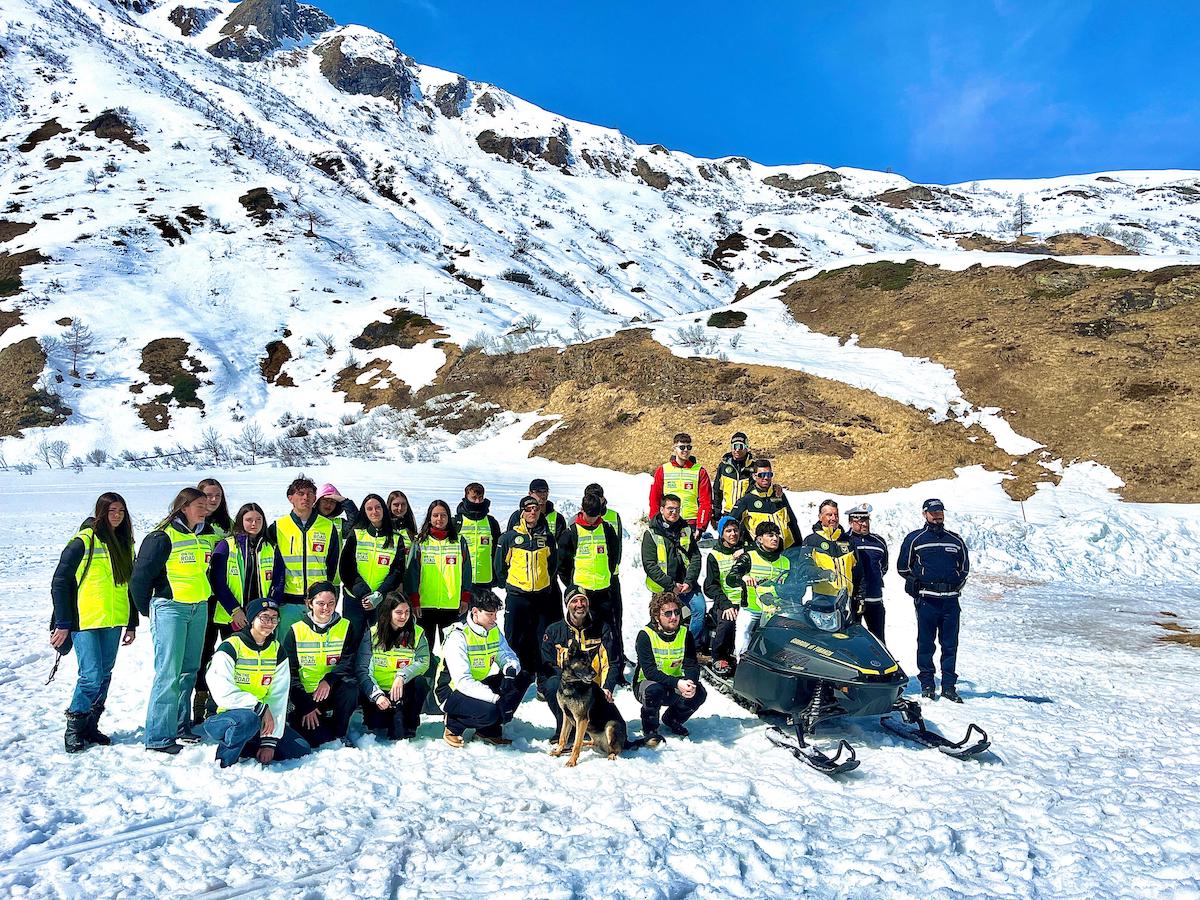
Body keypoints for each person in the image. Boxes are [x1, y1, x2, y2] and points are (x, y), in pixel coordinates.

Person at [50, 492, 138, 752]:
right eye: (112, 511)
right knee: (90, 676)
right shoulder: (83, 541)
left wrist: (131, 623)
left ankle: (90, 725)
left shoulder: (125, 543)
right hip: (85, 620)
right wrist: (63, 623)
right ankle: (74, 728)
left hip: (113, 620)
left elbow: (129, 586)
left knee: (104, 675)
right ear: (100, 512)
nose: (117, 516)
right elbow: (60, 582)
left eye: (121, 511)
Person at [130, 488, 214, 754]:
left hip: (198, 607)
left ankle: (179, 725)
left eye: (206, 505)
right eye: (199, 505)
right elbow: (139, 578)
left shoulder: (204, 534)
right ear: (183, 507)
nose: (205, 509)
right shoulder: (162, 536)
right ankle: (158, 736)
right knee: (169, 673)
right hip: (171, 609)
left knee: (189, 670)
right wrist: (151, 610)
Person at [197, 502, 284, 721]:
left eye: (258, 520)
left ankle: (257, 706)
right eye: (249, 520)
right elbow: (217, 581)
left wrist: (270, 609)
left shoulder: (271, 547)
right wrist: (235, 610)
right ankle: (214, 705)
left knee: (255, 664)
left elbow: (278, 580)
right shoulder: (226, 546)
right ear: (240, 521)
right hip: (232, 616)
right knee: (228, 662)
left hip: (261, 618)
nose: (254, 524)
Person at [202, 597, 311, 767]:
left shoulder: (276, 650)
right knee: (248, 719)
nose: (270, 623)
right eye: (264, 617)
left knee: (300, 748)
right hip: (224, 716)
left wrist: (269, 742)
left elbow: (278, 696)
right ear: (252, 619)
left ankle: (246, 744)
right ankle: (225, 762)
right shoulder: (231, 646)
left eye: (274, 618)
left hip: (259, 717)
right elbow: (221, 689)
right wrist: (259, 707)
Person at [898, 499, 970, 703]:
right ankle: (927, 684)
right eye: (933, 512)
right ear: (925, 514)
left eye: (940, 512)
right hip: (927, 601)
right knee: (926, 644)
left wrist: (954, 582)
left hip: (950, 601)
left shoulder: (955, 540)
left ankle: (948, 686)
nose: (937, 515)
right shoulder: (915, 539)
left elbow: (964, 567)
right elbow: (903, 567)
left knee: (950, 645)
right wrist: (915, 581)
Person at [434, 592, 525, 747]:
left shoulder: (492, 629)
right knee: (491, 711)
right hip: (452, 690)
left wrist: (510, 673)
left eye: (495, 614)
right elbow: (463, 681)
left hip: (477, 683)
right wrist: (496, 698)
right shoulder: (458, 636)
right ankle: (453, 725)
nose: (495, 619)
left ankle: (487, 731)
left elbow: (506, 654)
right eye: (490, 614)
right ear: (475, 612)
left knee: (520, 679)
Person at [281, 582, 362, 746]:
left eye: (331, 603)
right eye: (321, 603)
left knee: (351, 687)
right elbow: (290, 673)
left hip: (331, 689)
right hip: (305, 695)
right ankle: (306, 719)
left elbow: (348, 662)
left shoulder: (345, 626)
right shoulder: (296, 631)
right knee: (316, 739)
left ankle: (340, 732)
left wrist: (328, 680)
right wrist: (306, 705)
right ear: (310, 603)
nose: (326, 608)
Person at [495, 495, 559, 690]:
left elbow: (552, 564)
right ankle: (510, 680)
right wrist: (509, 585)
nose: (533, 512)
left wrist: (544, 582)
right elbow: (499, 566)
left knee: (542, 638)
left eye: (536, 509)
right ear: (521, 512)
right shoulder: (509, 537)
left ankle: (543, 679)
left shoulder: (547, 537)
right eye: (528, 509)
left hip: (540, 596)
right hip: (517, 596)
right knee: (513, 637)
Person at [541, 586, 621, 738]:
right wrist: (567, 679)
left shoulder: (602, 628)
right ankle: (564, 733)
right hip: (566, 685)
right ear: (567, 605)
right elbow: (548, 664)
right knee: (552, 685)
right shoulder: (554, 631)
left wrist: (607, 687)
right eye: (575, 601)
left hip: (593, 688)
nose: (580, 604)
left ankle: (590, 729)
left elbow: (612, 662)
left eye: (583, 600)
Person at [267, 476, 340, 636]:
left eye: (310, 494)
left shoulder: (328, 527)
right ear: (290, 498)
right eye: (300, 493)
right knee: (286, 644)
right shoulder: (278, 527)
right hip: (288, 601)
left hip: (318, 601)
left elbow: (332, 563)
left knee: (314, 644)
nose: (305, 497)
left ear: (315, 498)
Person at [633, 591, 707, 746]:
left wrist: (690, 683)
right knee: (654, 691)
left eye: (676, 612)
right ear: (656, 616)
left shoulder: (685, 634)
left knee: (699, 692)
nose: (674, 617)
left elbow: (691, 664)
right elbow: (650, 672)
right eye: (667, 613)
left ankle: (672, 719)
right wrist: (677, 683)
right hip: (647, 683)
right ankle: (650, 729)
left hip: (673, 683)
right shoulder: (645, 635)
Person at [355, 593, 430, 740]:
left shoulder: (417, 633)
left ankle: (409, 723)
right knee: (377, 723)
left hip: (402, 690)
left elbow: (424, 661)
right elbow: (362, 670)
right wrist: (377, 695)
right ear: (388, 612)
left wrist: (402, 676)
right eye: (399, 612)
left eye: (407, 612)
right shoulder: (372, 634)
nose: (404, 617)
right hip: (378, 693)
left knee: (420, 683)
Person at [404, 500, 473, 656]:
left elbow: (467, 571)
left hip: (452, 606)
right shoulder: (420, 542)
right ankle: (427, 673)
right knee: (423, 652)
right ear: (429, 518)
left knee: (451, 652)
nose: (439, 519)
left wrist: (465, 597)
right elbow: (412, 573)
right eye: (435, 515)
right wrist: (414, 600)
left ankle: (446, 674)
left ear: (448, 517)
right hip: (424, 606)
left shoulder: (459, 541)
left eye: (443, 515)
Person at [557, 492, 621, 645]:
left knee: (608, 631)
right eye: (589, 516)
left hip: (604, 590)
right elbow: (563, 564)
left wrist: (607, 573)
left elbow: (614, 555)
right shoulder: (571, 532)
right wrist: (572, 585)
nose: (592, 520)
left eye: (595, 516)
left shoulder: (607, 529)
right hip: (582, 592)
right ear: (582, 510)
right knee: (583, 631)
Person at [193, 477, 233, 723]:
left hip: (228, 597)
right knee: (203, 651)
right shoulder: (192, 524)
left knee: (229, 651)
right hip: (202, 598)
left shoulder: (229, 526)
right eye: (208, 495)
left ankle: (221, 700)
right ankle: (200, 698)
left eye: (218, 495)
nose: (214, 500)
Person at [339, 493, 406, 630]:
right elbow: (346, 568)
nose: (374, 511)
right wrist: (364, 594)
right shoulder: (356, 534)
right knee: (352, 639)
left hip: (381, 600)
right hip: (355, 599)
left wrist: (379, 594)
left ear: (384, 510)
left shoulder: (396, 539)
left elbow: (397, 571)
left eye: (378, 507)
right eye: (369, 509)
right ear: (364, 512)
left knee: (379, 639)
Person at [640, 494, 702, 641]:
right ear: (662, 509)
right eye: (670, 509)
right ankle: (660, 644)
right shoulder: (651, 533)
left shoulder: (686, 529)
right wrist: (671, 585)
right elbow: (649, 565)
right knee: (664, 619)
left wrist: (689, 581)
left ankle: (690, 645)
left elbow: (695, 557)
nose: (674, 512)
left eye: (677, 509)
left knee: (700, 609)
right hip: (663, 587)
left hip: (686, 584)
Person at [726, 522, 791, 658]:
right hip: (751, 608)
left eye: (777, 535)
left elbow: (793, 585)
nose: (775, 538)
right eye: (770, 535)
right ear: (760, 539)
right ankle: (741, 661)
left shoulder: (786, 561)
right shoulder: (748, 557)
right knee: (743, 630)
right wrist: (743, 578)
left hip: (775, 610)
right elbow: (730, 578)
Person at [584, 482, 628, 672]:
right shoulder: (577, 520)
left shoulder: (613, 517)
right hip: (586, 583)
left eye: (598, 496)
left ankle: (617, 661)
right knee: (588, 624)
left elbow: (617, 547)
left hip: (610, 579)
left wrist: (610, 570)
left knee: (615, 622)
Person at [702, 516, 747, 675]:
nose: (733, 534)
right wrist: (725, 604)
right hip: (727, 601)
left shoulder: (747, 550)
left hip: (749, 600)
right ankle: (719, 656)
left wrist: (746, 551)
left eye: (735, 530)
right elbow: (710, 585)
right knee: (727, 622)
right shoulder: (715, 555)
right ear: (721, 534)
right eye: (728, 531)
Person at [648, 433, 712, 533]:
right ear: (674, 448)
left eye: (689, 447)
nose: (685, 450)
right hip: (668, 521)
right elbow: (654, 498)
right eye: (682, 447)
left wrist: (701, 526)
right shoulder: (663, 470)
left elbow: (706, 501)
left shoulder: (700, 471)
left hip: (690, 521)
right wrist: (654, 521)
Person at [730, 458, 801, 549]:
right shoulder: (747, 500)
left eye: (769, 474)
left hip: (786, 549)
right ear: (754, 476)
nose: (766, 478)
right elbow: (731, 525)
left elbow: (792, 522)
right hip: (761, 552)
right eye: (762, 475)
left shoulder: (779, 495)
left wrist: (800, 546)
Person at [846, 503, 888, 645]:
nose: (864, 524)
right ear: (851, 522)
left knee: (878, 641)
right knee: (852, 640)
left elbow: (883, 567)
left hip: (874, 599)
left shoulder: (879, 542)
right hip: (852, 600)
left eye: (867, 520)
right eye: (860, 521)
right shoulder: (845, 541)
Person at [801, 498, 859, 600]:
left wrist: (860, 596)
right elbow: (803, 568)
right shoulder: (811, 540)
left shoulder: (848, 540)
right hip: (823, 598)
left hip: (847, 598)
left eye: (836, 515)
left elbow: (859, 571)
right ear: (820, 517)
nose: (834, 518)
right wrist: (821, 573)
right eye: (829, 515)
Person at [453, 482, 502, 599]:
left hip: (484, 580)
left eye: (480, 498)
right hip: (461, 579)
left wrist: (498, 575)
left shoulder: (491, 522)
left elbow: (497, 551)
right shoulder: (456, 522)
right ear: (466, 497)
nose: (477, 501)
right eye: (474, 498)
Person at [711, 431, 755, 521]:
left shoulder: (753, 467)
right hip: (728, 513)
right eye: (734, 446)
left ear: (746, 447)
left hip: (747, 514)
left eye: (740, 446)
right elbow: (717, 491)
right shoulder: (723, 466)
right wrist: (716, 514)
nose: (737, 450)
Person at [506, 478, 565, 543]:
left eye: (545, 491)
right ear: (530, 493)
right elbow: (508, 539)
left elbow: (562, 544)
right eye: (538, 491)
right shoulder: (518, 515)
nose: (543, 495)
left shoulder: (558, 518)